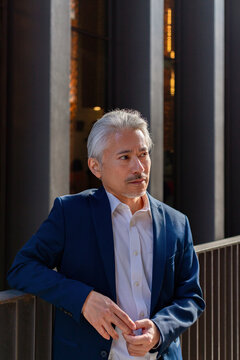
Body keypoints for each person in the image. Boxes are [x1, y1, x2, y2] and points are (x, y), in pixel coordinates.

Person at [7, 109, 205, 360]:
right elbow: (22, 268)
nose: (139, 167)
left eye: (143, 154)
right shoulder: (70, 213)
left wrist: (158, 331)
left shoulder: (177, 222)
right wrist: (84, 299)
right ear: (96, 166)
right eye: (125, 157)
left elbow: (191, 297)